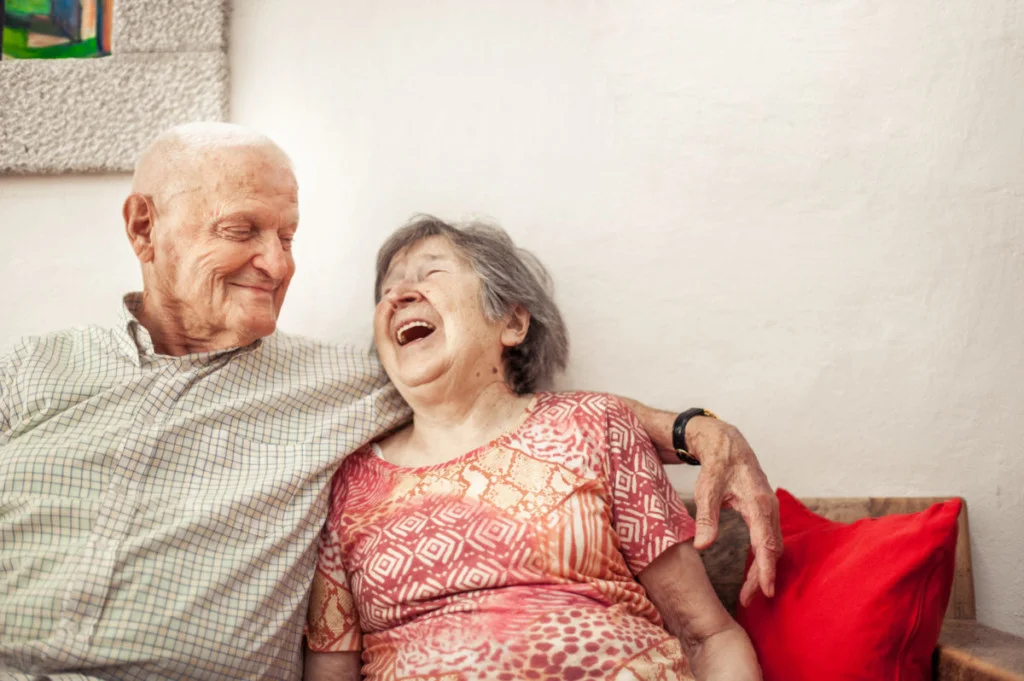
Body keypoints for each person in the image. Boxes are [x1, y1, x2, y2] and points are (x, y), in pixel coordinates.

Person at [0, 123, 777, 681]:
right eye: (243, 230)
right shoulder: (30, 373)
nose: (276, 264)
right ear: (144, 228)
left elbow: (499, 399)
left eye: (290, 237)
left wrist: (695, 428)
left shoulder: (346, 389)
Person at [305, 216, 761, 681]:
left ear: (513, 322)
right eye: (388, 289)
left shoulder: (594, 425)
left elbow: (707, 636)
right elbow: (330, 671)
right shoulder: (348, 484)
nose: (399, 295)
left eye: (431, 273)